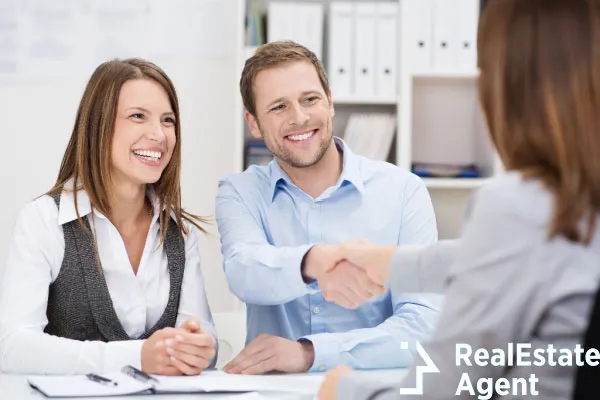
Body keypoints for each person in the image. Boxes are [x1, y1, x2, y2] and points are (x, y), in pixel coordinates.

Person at [317, 0, 600, 398]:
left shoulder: (518, 205)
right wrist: (391, 263)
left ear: (512, 84)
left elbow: (445, 390)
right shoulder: (571, 207)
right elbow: (521, 256)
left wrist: (343, 390)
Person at [216, 40, 441, 375]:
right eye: (278, 107)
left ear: (330, 102)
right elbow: (243, 270)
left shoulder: (404, 191)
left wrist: (310, 353)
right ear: (253, 124)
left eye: (310, 99)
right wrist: (313, 261)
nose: (299, 117)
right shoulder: (241, 191)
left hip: (370, 391)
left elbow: (424, 326)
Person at [0, 58, 217, 376]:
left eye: (168, 120)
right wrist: (135, 356)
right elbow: (11, 347)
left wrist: (199, 350)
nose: (158, 134)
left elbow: (201, 343)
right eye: (138, 116)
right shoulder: (43, 221)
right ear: (98, 126)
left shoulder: (178, 233)